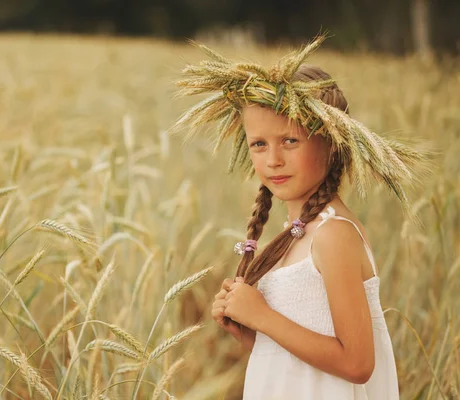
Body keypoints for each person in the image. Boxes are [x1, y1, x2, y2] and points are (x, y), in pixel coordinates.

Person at [170, 34, 433, 399]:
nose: (273, 159)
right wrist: (249, 329)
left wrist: (263, 317)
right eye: (259, 144)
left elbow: (357, 364)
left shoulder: (333, 234)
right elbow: (298, 358)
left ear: (332, 141)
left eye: (290, 141)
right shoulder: (297, 234)